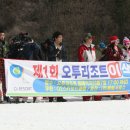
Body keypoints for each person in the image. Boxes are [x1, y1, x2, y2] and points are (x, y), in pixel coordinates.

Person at [78, 33, 102, 101]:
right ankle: (87, 96)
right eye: (90, 38)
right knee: (87, 83)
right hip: (86, 69)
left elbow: (94, 57)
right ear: (86, 39)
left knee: (95, 82)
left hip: (94, 69)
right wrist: (84, 66)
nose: (91, 39)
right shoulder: (82, 47)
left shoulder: (93, 47)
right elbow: (81, 59)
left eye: (92, 38)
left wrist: (96, 61)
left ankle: (97, 96)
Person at [48, 31, 67, 102]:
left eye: (61, 37)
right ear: (55, 38)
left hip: (61, 66)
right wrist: (56, 52)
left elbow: (65, 56)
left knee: (60, 81)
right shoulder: (51, 46)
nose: (61, 39)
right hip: (53, 66)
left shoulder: (63, 46)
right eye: (59, 37)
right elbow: (49, 55)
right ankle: (51, 97)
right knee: (52, 81)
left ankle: (60, 96)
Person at [105, 35, 124, 100]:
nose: (117, 42)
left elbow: (121, 54)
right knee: (112, 80)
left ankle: (118, 94)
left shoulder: (118, 48)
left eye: (118, 40)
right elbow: (108, 56)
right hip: (111, 66)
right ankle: (112, 94)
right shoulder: (109, 48)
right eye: (116, 41)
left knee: (118, 80)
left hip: (117, 66)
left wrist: (121, 56)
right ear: (113, 41)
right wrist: (115, 55)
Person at [0, 30, 9, 103]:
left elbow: (7, 52)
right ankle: (1, 96)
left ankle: (5, 95)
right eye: (1, 35)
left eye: (3, 35)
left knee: (4, 80)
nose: (2, 36)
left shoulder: (5, 43)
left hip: (4, 62)